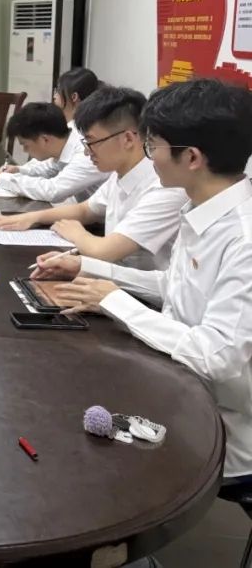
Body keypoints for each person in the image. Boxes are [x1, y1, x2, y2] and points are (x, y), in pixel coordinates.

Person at [42, 79, 252, 486]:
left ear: (191, 157)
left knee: (68, 447)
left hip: (219, 431)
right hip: (176, 386)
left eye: (153, 145)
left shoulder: (243, 238)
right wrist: (91, 270)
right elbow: (173, 286)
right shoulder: (202, 206)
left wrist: (115, 301)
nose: (148, 155)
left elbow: (217, 356)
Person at [0, 86, 187, 271]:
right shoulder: (121, 172)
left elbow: (105, 251)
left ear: (127, 139)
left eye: (92, 142)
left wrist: (76, 233)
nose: (87, 152)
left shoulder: (163, 186)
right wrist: (30, 218)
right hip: (116, 275)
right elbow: (86, 210)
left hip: (141, 292)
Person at [0, 102, 107, 203]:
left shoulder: (85, 154)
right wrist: (19, 170)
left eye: (25, 145)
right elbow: (50, 166)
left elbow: (53, 190)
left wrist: (1, 178)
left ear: (45, 139)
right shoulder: (64, 141)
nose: (25, 151)